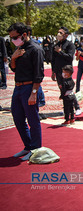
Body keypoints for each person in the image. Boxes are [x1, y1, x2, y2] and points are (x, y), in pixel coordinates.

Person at [8, 23, 44, 161]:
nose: (13, 40)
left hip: (30, 87)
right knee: (17, 117)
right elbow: (14, 69)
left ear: (24, 35)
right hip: (18, 87)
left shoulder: (36, 49)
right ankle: (28, 146)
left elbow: (39, 74)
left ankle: (35, 149)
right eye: (11, 37)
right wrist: (13, 58)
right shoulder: (19, 48)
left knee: (33, 119)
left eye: (15, 37)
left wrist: (34, 92)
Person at [51, 27, 81, 116]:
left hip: (67, 71)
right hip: (58, 71)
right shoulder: (55, 45)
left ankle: (77, 107)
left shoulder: (70, 45)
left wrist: (60, 52)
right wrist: (53, 72)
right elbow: (53, 60)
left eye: (61, 32)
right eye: (58, 32)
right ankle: (66, 109)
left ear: (66, 35)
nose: (59, 34)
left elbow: (69, 57)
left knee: (69, 90)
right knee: (62, 90)